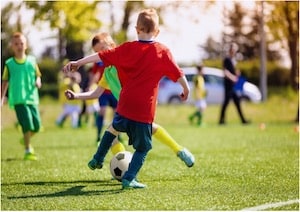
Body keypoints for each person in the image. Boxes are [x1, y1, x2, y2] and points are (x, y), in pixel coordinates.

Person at [63, 8, 190, 189]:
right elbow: (178, 74)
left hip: (124, 104)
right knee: (143, 148)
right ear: (158, 31)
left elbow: (99, 56)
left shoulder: (126, 48)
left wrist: (78, 62)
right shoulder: (163, 51)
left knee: (112, 128)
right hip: (143, 109)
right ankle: (129, 179)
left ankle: (98, 158)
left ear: (136, 29)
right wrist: (186, 89)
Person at [1, 32, 42, 161]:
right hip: (18, 99)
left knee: (37, 126)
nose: (19, 46)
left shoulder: (32, 60)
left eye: (22, 43)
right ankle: (28, 149)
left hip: (32, 98)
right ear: (12, 46)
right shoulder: (9, 63)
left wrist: (38, 81)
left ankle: (25, 137)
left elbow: (38, 75)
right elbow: (5, 81)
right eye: (16, 44)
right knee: (27, 124)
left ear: (26, 45)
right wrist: (2, 98)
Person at [90, 33, 119, 143]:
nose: (101, 53)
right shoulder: (99, 60)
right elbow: (94, 74)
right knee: (102, 111)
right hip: (103, 90)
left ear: (109, 43)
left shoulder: (118, 55)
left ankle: (117, 136)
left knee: (117, 113)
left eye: (102, 48)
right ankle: (98, 135)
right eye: (97, 52)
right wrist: (90, 86)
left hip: (116, 91)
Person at [219, 43, 250, 125]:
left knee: (237, 102)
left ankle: (243, 120)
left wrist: (236, 74)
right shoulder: (227, 59)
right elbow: (225, 72)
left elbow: (232, 71)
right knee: (226, 102)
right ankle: (221, 120)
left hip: (233, 86)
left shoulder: (233, 61)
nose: (234, 52)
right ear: (230, 50)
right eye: (232, 50)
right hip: (228, 85)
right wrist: (233, 77)